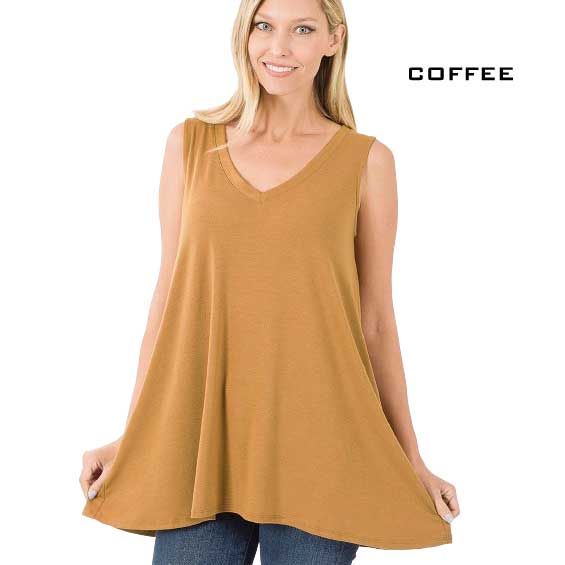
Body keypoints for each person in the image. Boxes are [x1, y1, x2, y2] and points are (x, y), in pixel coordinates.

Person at [79, 0, 460, 563]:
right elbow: (169, 300)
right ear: (246, 34)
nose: (279, 47)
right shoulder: (190, 145)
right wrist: (134, 435)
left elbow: (376, 320)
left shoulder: (367, 162)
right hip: (202, 443)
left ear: (333, 40)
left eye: (302, 29)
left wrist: (412, 458)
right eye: (264, 26)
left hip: (322, 445)